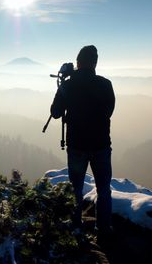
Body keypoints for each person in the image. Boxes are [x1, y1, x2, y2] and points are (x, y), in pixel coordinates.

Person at [50, 45, 115, 238]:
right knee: (104, 190)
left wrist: (63, 83)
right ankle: (103, 230)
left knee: (75, 188)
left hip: (77, 145)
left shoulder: (69, 85)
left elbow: (55, 113)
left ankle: (76, 227)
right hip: (101, 145)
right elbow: (109, 111)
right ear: (95, 63)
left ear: (78, 62)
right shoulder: (105, 84)